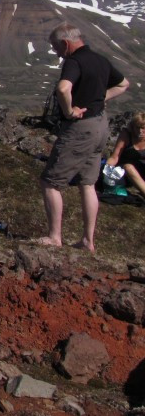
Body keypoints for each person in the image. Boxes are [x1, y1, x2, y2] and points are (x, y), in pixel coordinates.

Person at [39, 23, 129, 252]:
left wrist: (69, 111)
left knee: (51, 183)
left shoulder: (74, 61)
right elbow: (123, 84)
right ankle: (88, 240)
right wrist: (100, 99)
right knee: (87, 184)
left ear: (66, 43)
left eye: (56, 47)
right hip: (101, 125)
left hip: (80, 129)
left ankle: (54, 237)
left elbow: (62, 88)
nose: (56, 52)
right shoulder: (100, 59)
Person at [106, 112, 145, 198]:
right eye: (137, 128)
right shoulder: (126, 135)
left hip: (141, 169)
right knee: (128, 167)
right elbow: (114, 157)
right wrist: (106, 170)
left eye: (143, 128)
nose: (140, 131)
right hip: (123, 171)